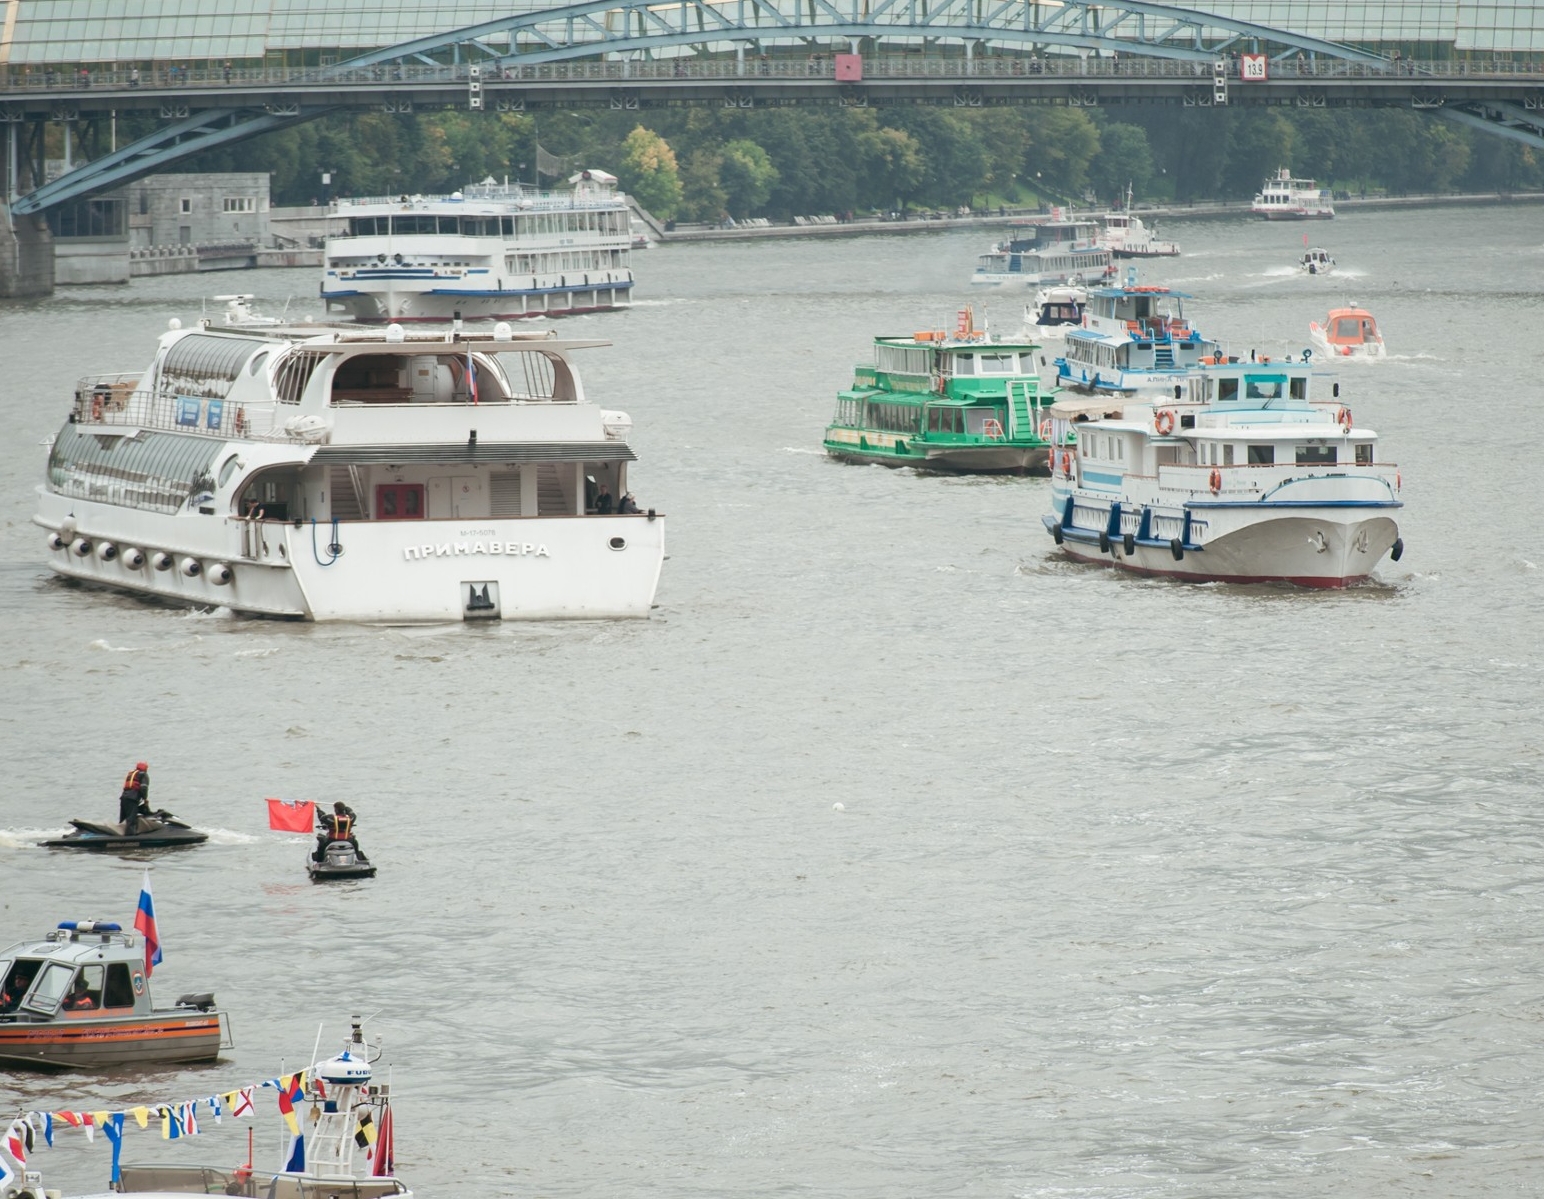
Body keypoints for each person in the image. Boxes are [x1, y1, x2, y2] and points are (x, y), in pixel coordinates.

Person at [119, 761, 151, 832]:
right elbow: (144, 788)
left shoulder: (132, 774)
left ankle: (119, 835)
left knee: (123, 819)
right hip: (132, 799)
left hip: (124, 797)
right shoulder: (143, 775)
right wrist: (145, 799)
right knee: (131, 819)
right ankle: (130, 839)